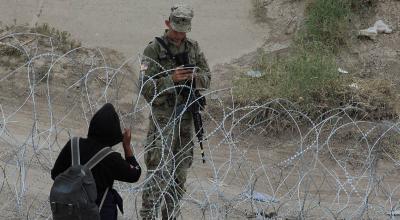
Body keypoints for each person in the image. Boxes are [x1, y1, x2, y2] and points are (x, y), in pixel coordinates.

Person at [139, 3, 211, 220]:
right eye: (176, 30)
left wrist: (193, 77)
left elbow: (207, 78)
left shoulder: (193, 48)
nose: (179, 35)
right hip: (163, 119)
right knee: (158, 170)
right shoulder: (153, 49)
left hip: (186, 119)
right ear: (167, 24)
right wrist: (171, 79)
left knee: (179, 173)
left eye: (183, 31)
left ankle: (170, 215)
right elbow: (145, 88)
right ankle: (148, 215)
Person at [51, 103, 141, 220]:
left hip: (69, 212)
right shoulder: (111, 158)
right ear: (113, 133)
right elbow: (135, 174)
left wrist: (74, 187)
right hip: (98, 213)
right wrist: (127, 146)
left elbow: (55, 174)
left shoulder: (73, 145)